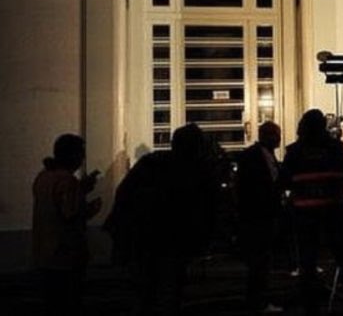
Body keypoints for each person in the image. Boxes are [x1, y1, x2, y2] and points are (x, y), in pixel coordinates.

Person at [104, 123, 220, 316]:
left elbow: (124, 193)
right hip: (172, 240)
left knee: (146, 292)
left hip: (145, 238)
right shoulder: (195, 170)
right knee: (169, 291)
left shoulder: (151, 163)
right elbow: (205, 207)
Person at [281, 109, 343, 315]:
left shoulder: (294, 151)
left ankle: (311, 306)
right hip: (333, 210)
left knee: (307, 262)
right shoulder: (335, 148)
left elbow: (284, 180)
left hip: (304, 214)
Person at [32, 133, 101, 316]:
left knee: (51, 303)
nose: (82, 159)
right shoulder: (67, 180)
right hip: (64, 254)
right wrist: (92, 208)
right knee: (68, 303)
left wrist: (81, 189)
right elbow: (71, 214)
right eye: (80, 154)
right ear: (72, 155)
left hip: (43, 252)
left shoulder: (43, 177)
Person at [235, 121, 284, 313]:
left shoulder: (260, 155)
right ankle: (257, 301)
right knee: (260, 261)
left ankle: (257, 300)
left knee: (261, 261)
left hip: (261, 214)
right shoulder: (254, 157)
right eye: (276, 135)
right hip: (258, 215)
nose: (279, 139)